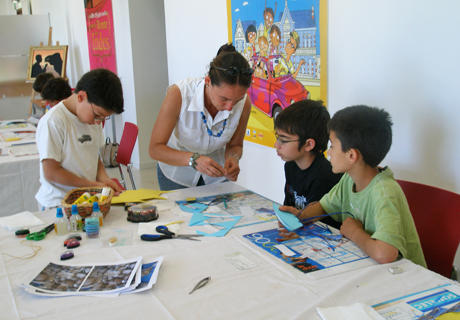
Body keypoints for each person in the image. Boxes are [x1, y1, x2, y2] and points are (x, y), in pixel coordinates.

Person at [280, 105, 426, 267]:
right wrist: (301, 216)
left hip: (404, 275)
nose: (329, 152)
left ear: (351, 155)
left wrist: (355, 232)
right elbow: (324, 206)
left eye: (332, 146)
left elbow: (385, 254)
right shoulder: (349, 180)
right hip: (370, 264)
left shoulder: (384, 192)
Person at [149, 43, 253, 190]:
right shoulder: (180, 94)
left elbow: (235, 146)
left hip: (215, 176)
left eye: (236, 101)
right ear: (208, 81)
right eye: (224, 99)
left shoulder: (244, 103)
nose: (230, 107)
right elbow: (155, 149)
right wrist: (193, 160)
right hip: (176, 174)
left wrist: (233, 158)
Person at [35, 68, 124, 209]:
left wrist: (104, 179)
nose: (98, 122)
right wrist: (93, 185)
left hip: (86, 200)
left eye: (103, 117)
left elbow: (94, 157)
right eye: (97, 115)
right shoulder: (54, 121)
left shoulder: (93, 120)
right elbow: (51, 172)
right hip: (58, 203)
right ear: (81, 97)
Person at [274, 100, 341, 228]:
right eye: (277, 137)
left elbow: (318, 223)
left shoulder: (325, 175)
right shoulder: (290, 166)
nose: (276, 145)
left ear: (308, 144)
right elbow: (288, 207)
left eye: (283, 140)